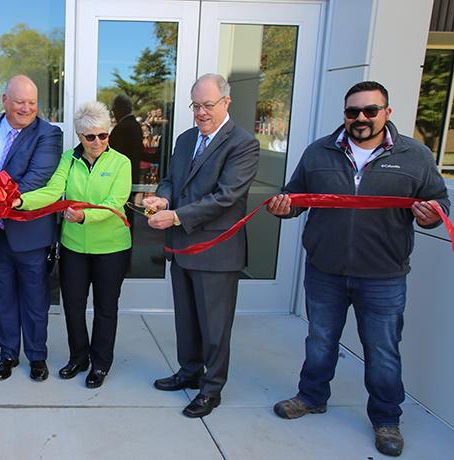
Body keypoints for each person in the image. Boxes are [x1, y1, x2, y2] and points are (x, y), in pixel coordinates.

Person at [267, 81, 450, 457]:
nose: (361, 118)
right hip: (325, 270)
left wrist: (432, 216)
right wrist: (284, 207)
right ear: (345, 114)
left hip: (383, 275)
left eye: (370, 111)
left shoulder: (414, 156)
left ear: (387, 112)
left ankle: (386, 420)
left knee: (382, 350)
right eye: (353, 112)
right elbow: (296, 196)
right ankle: (311, 396)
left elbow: (438, 202)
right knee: (320, 341)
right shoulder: (319, 152)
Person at [143, 73, 259, 418]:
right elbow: (170, 179)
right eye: (196, 105)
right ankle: (189, 371)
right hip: (182, 248)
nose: (201, 112)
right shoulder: (185, 138)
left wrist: (176, 216)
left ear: (226, 103)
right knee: (187, 319)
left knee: (215, 326)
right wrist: (163, 199)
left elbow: (226, 197)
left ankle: (211, 389)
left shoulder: (243, 144)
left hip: (216, 250)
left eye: (208, 105)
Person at [13, 101, 131, 388]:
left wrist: (83, 217)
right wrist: (18, 202)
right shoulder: (68, 159)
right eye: (90, 136)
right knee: (74, 307)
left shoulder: (121, 163)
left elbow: (114, 204)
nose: (98, 142)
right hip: (74, 248)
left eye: (103, 135)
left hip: (112, 248)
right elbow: (52, 192)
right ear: (79, 136)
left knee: (105, 308)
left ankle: (100, 364)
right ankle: (79, 357)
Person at [0, 75, 62, 381]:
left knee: (34, 300)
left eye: (32, 103)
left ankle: (36, 356)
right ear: (4, 100)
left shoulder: (49, 134)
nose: (27, 108)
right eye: (20, 101)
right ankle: (7, 353)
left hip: (29, 232)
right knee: (2, 296)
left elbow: (37, 178)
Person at [109, 94, 144, 186]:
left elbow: (114, 152)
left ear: (121, 109)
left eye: (115, 110)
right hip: (132, 173)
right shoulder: (135, 125)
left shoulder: (122, 127)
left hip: (122, 176)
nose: (114, 113)